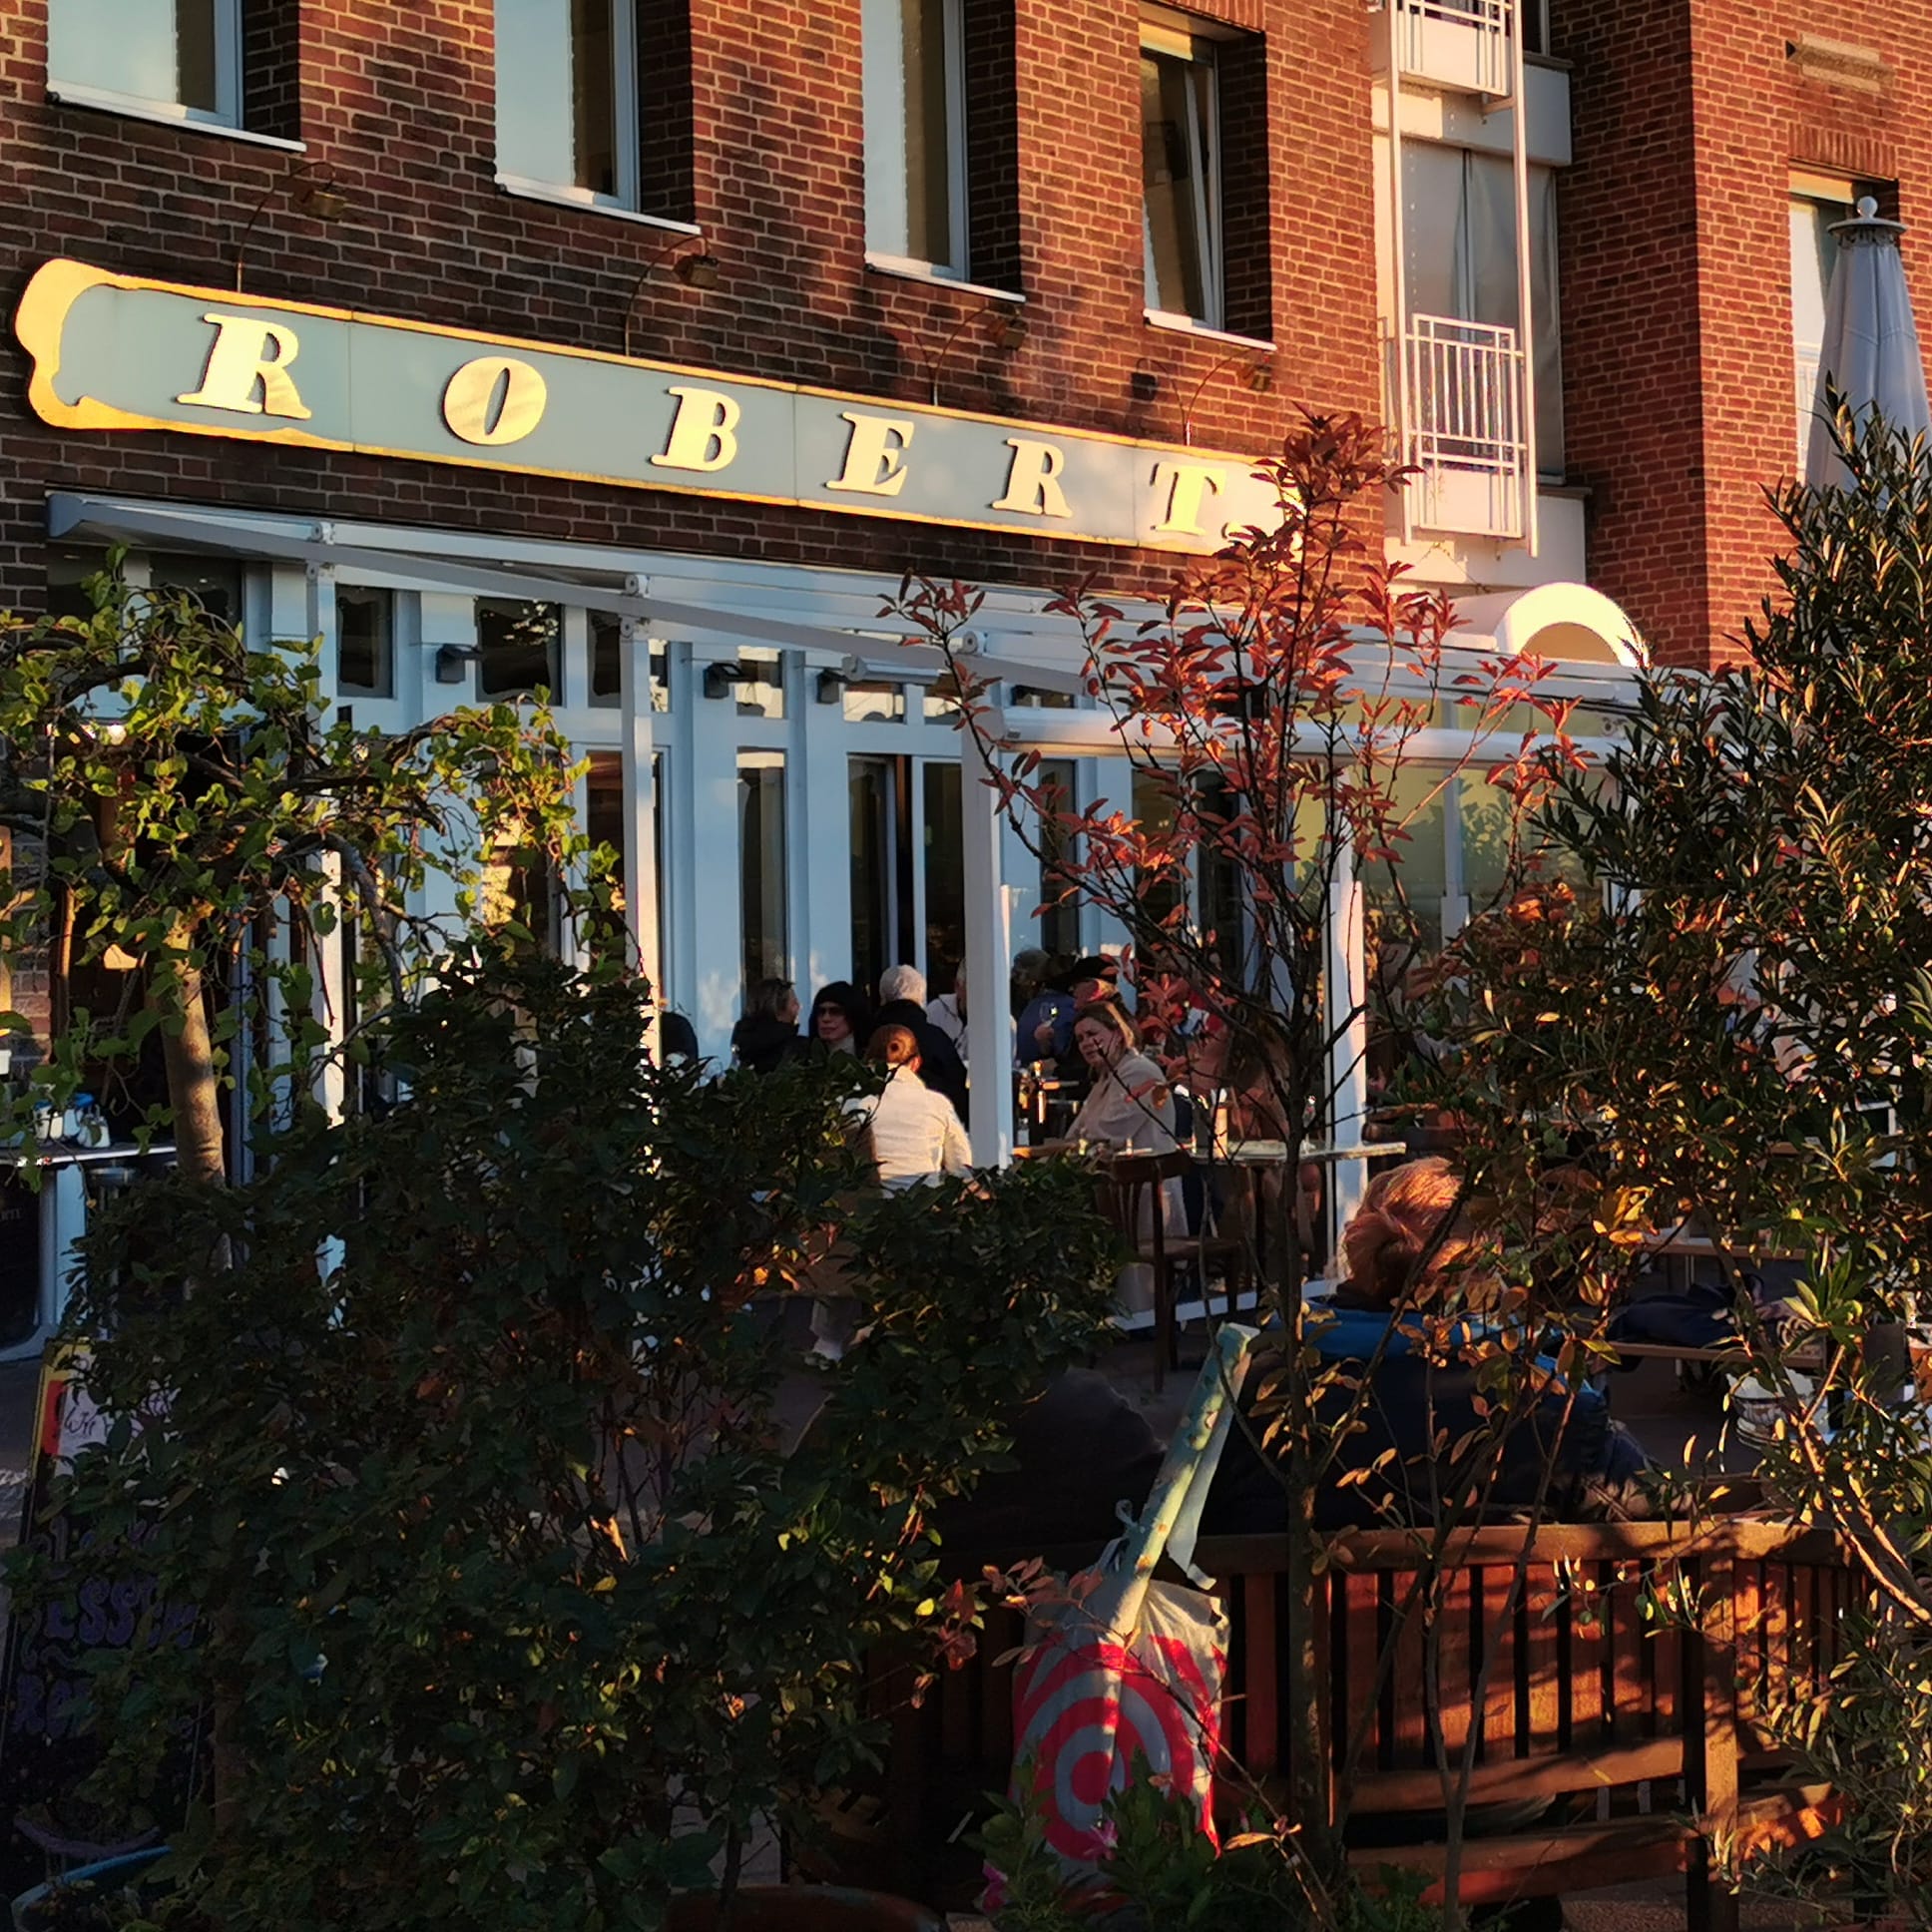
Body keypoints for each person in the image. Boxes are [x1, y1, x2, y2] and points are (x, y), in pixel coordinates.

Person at [1204, 1157, 1654, 1534]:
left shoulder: (1257, 1384)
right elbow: (1664, 1515)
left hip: (1295, 1615)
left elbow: (1198, 1531)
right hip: (1501, 1615)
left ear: (1360, 1252)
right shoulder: (1547, 1403)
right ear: (1485, 1265)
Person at [851, 1024, 973, 1190]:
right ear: (916, 1062)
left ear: (867, 1060)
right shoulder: (937, 1104)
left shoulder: (849, 1102)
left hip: (864, 1201)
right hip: (921, 1201)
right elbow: (962, 1168)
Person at [874, 964, 971, 1121]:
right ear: (920, 998)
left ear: (882, 997)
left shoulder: (868, 1035)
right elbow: (958, 1090)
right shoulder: (935, 1038)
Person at [729, 978, 802, 1074]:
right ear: (778, 1012)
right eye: (794, 1003)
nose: (799, 1007)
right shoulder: (795, 1050)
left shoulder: (742, 1045)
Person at [806, 981, 871, 1056]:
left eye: (835, 1012)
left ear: (853, 1015)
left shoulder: (872, 1055)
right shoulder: (803, 1056)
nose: (826, 1018)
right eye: (821, 1012)